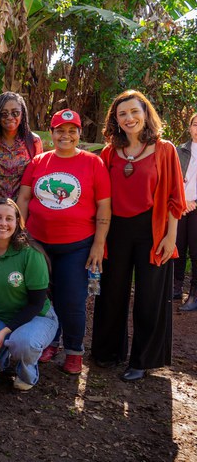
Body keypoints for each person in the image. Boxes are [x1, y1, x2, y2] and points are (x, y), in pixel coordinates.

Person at [91, 90, 186, 382]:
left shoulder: (165, 149)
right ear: (115, 120)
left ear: (145, 113)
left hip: (152, 230)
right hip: (116, 230)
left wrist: (171, 237)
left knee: (150, 297)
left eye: (134, 111)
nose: (129, 118)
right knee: (111, 292)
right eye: (122, 114)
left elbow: (174, 198)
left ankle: (143, 360)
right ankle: (107, 352)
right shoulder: (109, 153)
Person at [17, 109, 111, 374]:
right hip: (38, 244)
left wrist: (99, 244)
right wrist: (21, 234)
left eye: (72, 131)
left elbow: (104, 207)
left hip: (77, 245)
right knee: (42, 297)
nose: (66, 136)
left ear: (79, 133)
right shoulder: (38, 162)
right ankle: (49, 343)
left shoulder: (93, 163)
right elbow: (24, 198)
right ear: (52, 133)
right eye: (60, 130)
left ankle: (74, 350)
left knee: (71, 300)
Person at [0, 198, 59, 391]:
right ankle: (2, 358)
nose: (3, 223)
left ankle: (27, 373)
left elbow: (36, 303)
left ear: (17, 223)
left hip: (36, 317)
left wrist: (6, 330)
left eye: (9, 219)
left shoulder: (30, 254)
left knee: (22, 343)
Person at [0, 91, 43, 202]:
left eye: (15, 113)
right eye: (4, 114)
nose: (10, 117)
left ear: (22, 113)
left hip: (23, 209)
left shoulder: (33, 141)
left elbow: (38, 177)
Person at [175, 112, 197, 310]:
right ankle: (175, 287)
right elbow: (172, 178)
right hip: (180, 206)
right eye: (195, 124)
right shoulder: (179, 150)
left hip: (196, 207)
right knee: (177, 246)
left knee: (196, 250)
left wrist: (194, 202)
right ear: (190, 127)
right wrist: (182, 201)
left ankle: (194, 295)